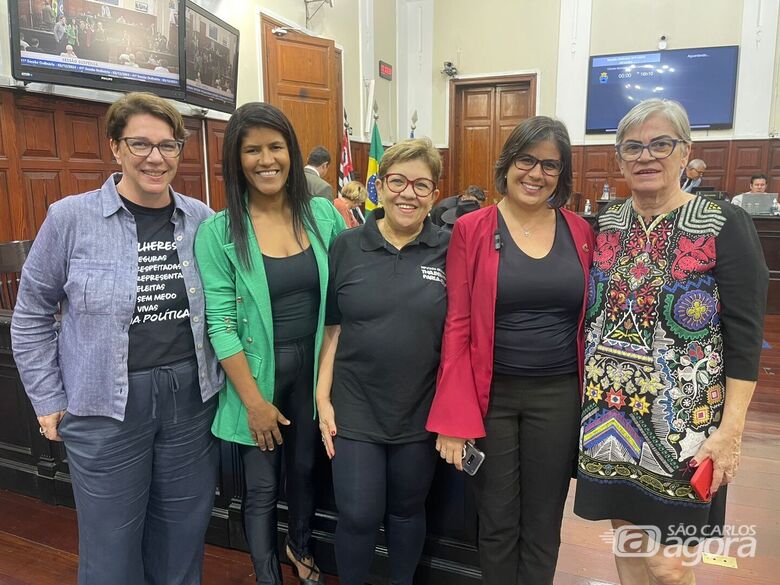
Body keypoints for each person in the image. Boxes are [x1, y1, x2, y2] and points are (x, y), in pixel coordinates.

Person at [11, 92, 223, 585]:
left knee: (182, 539)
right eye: (140, 144)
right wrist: (47, 398)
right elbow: (32, 312)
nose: (155, 158)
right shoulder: (71, 218)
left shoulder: (202, 220)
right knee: (111, 551)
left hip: (190, 403)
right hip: (105, 406)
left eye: (168, 146)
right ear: (115, 148)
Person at [574, 99, 768, 584]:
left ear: (685, 153)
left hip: (685, 424)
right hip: (609, 417)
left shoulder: (724, 224)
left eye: (661, 144)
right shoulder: (608, 224)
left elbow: (746, 334)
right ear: (619, 159)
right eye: (633, 147)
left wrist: (731, 432)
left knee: (671, 567)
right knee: (628, 540)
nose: (646, 156)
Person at [427, 116, 594, 585]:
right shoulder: (473, 228)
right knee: (497, 521)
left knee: (543, 523)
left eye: (550, 165)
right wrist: (454, 419)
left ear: (562, 176)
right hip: (491, 397)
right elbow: (457, 324)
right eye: (527, 160)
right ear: (508, 163)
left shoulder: (581, 231)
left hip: (558, 397)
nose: (536, 174)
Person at [195, 102, 345, 585]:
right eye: (252, 150)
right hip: (257, 380)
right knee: (261, 489)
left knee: (304, 472)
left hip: (315, 372)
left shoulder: (322, 214)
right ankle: (267, 576)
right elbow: (220, 325)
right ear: (236, 160)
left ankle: (299, 547)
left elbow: (348, 285)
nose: (266, 159)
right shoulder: (218, 232)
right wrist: (254, 404)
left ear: (291, 152)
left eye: (275, 147)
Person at [316, 138, 449, 585]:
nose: (407, 193)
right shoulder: (347, 245)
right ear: (379, 184)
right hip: (354, 406)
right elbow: (332, 328)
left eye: (421, 184)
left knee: (407, 513)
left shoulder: (450, 249)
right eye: (397, 181)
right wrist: (322, 399)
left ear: (434, 192)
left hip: (420, 409)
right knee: (357, 514)